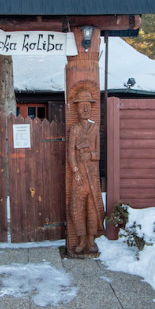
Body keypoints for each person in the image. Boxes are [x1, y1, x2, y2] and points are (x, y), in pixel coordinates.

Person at [67, 89, 104, 255]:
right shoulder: (75, 129)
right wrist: (76, 171)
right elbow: (70, 154)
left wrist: (90, 154)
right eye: (82, 106)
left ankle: (91, 239)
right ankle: (81, 239)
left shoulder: (95, 129)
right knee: (77, 207)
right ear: (77, 108)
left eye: (88, 106)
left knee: (92, 208)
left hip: (93, 176)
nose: (85, 109)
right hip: (79, 177)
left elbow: (98, 154)